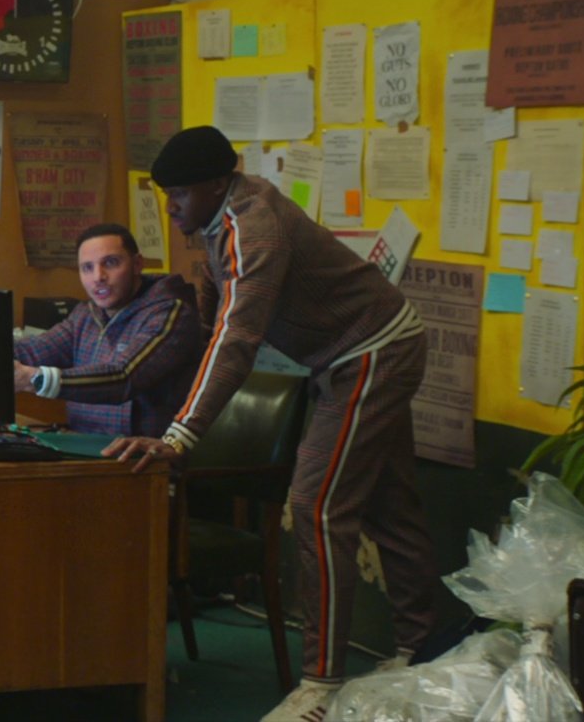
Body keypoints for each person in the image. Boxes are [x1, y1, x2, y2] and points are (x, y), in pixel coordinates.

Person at [104, 126, 435, 722]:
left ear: (216, 184)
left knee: (316, 506)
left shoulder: (255, 228)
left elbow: (238, 340)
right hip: (348, 354)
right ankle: (424, 648)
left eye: (179, 194)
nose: (170, 207)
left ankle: (321, 686)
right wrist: (181, 391)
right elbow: (214, 322)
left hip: (373, 350)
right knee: (390, 506)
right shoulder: (217, 222)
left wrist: (180, 435)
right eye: (166, 194)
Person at [12, 223, 202, 437]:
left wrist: (35, 379)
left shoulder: (171, 312)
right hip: (82, 442)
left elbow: (124, 377)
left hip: (143, 450)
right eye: (87, 267)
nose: (98, 277)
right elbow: (33, 351)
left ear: (137, 264)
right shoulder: (86, 314)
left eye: (111, 263)